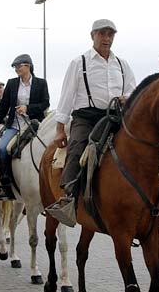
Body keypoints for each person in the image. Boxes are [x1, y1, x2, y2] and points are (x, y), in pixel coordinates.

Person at [44, 19, 137, 226]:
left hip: (115, 115)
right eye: (102, 34)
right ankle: (67, 198)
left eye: (110, 34)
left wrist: (127, 97)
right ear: (92, 35)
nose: (107, 38)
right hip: (86, 117)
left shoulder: (122, 64)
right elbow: (67, 96)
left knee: (140, 144)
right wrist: (60, 129)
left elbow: (133, 90)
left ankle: (157, 192)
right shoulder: (79, 63)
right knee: (77, 148)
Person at [0, 54, 50, 200]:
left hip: (35, 125)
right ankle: (5, 186)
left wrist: (27, 108)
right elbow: (3, 106)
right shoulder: (12, 83)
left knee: (48, 148)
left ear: (28, 65)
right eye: (15, 67)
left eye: (18, 66)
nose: (16, 69)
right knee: (2, 149)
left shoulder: (41, 83)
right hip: (14, 125)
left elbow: (45, 103)